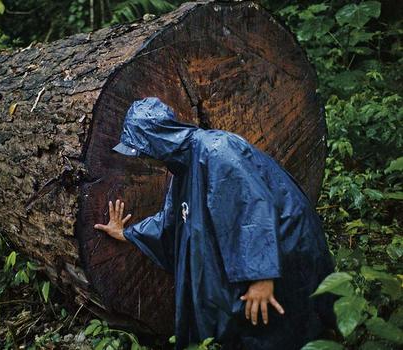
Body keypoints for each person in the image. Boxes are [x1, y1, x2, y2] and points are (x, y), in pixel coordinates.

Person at [93, 97, 336, 349]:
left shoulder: (217, 151)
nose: (143, 160)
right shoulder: (184, 168)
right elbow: (174, 221)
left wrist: (261, 276)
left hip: (284, 245)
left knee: (289, 325)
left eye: (143, 151)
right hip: (265, 254)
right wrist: (128, 234)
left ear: (158, 140)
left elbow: (252, 208)